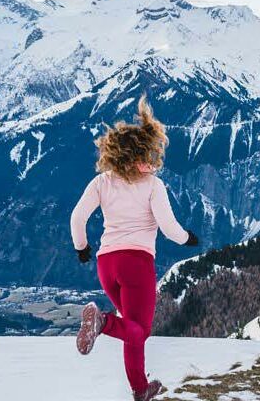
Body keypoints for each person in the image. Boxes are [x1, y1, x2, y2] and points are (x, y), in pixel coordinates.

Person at [70, 96, 198, 401]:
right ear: (138, 154)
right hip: (136, 264)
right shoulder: (153, 185)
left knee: (132, 328)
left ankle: (141, 389)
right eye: (149, 155)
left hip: (106, 264)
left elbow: (77, 217)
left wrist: (82, 247)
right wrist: (187, 238)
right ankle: (102, 321)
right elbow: (168, 228)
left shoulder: (102, 182)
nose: (153, 162)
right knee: (139, 329)